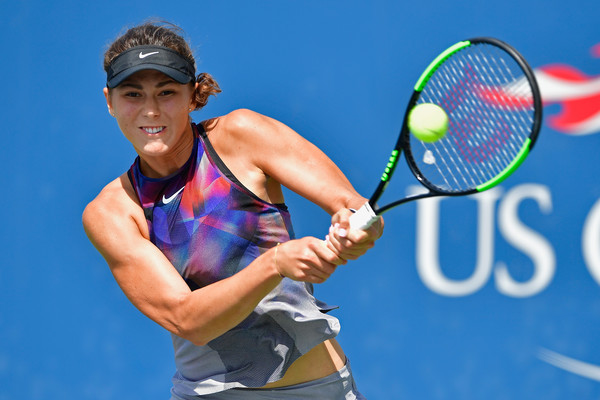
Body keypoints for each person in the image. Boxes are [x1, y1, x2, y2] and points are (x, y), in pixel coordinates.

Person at [83, 20, 383, 400]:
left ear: (193, 95)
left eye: (167, 92)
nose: (151, 111)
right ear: (109, 101)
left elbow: (353, 207)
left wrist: (358, 230)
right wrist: (275, 264)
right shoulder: (111, 212)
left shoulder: (242, 136)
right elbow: (185, 317)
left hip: (318, 390)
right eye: (133, 94)